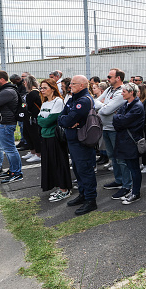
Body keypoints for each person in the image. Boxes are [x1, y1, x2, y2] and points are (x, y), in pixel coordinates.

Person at [59, 75, 98, 215]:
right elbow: (62, 117)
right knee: (77, 168)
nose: (70, 86)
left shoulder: (83, 100)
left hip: (82, 141)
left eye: (73, 84)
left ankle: (90, 200)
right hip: (73, 140)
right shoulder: (72, 99)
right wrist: (66, 120)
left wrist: (67, 120)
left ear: (82, 85)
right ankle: (83, 195)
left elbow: (68, 120)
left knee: (85, 170)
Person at [96, 69, 129, 200]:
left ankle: (127, 185)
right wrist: (104, 105)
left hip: (115, 129)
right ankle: (119, 180)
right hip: (105, 127)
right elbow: (95, 102)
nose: (107, 78)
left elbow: (106, 110)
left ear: (118, 78)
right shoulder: (109, 90)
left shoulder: (122, 91)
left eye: (110, 76)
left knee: (121, 158)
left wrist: (103, 105)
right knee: (112, 156)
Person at [0, 70, 24, 184]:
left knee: (10, 149)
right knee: (8, 150)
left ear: (2, 79)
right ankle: (13, 170)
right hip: (2, 124)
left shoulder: (7, 91)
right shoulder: (2, 91)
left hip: (5, 124)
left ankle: (17, 173)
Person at [37, 79, 72, 202]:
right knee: (50, 163)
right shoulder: (45, 102)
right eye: (41, 88)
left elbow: (47, 121)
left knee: (59, 163)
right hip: (45, 137)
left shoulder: (58, 101)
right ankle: (59, 187)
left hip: (54, 137)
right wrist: (43, 121)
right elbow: (39, 120)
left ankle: (65, 189)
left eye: (44, 88)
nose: (42, 90)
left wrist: (43, 121)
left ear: (52, 88)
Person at [113, 83, 145, 205]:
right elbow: (117, 119)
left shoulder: (137, 106)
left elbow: (122, 120)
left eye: (124, 91)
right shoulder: (127, 104)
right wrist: (119, 119)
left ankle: (136, 193)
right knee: (131, 167)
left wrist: (118, 118)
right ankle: (133, 191)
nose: (122, 93)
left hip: (131, 141)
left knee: (134, 168)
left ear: (131, 92)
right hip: (125, 140)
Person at [21, 75, 42, 163]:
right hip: (29, 117)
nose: (24, 84)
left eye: (25, 82)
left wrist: (22, 106)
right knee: (27, 134)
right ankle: (33, 151)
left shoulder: (33, 93)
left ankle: (38, 154)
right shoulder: (31, 93)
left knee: (34, 136)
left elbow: (25, 105)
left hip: (33, 117)